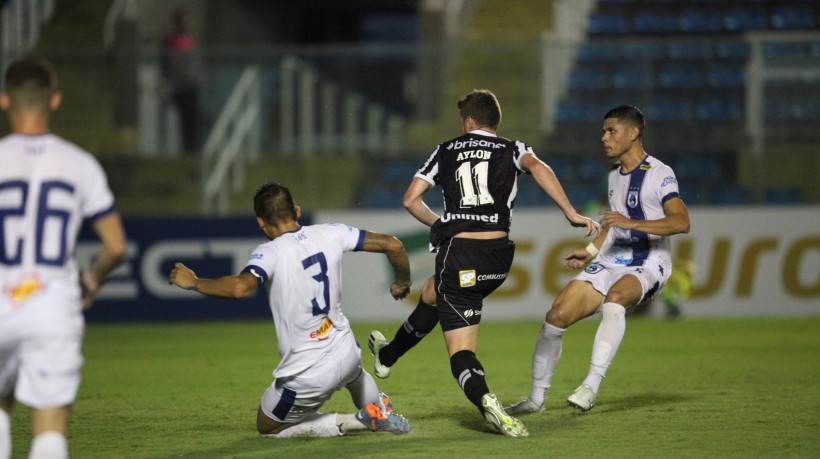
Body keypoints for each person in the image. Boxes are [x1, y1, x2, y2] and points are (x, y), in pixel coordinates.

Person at [368, 89, 600, 437]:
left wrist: (442, 224)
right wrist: (570, 212)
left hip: (460, 254)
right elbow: (539, 167)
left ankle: (486, 400)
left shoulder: (446, 150)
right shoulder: (513, 147)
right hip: (499, 258)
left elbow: (410, 199)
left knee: (460, 351)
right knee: (433, 291)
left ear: (468, 122)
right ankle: (387, 356)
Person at [168, 182, 412, 438]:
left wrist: (194, 283)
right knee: (355, 375)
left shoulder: (270, 252)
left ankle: (353, 421)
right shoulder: (332, 232)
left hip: (307, 374)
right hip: (347, 350)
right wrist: (402, 283)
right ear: (296, 211)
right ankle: (378, 407)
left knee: (268, 427)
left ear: (261, 223)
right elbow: (393, 245)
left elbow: (240, 288)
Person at [504, 105, 691, 416]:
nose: (604, 137)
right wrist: (591, 251)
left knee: (615, 300)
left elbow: (681, 222)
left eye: (611, 131)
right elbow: (615, 225)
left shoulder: (660, 173)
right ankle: (536, 399)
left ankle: (590, 386)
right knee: (556, 316)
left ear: (633, 133)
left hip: (649, 262)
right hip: (612, 258)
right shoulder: (615, 176)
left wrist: (631, 223)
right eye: (604, 131)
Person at [0, 58, 127, 459]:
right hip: (52, 302)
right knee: (50, 428)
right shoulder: (79, 164)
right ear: (54, 100)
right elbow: (116, 246)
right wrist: (92, 280)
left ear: (5, 100)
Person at [162, 8, 203, 156]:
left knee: (195, 120)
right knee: (185, 121)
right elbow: (175, 64)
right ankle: (187, 150)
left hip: (192, 87)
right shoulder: (173, 41)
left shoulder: (189, 39)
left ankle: (194, 149)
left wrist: (198, 78)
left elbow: (194, 62)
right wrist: (188, 78)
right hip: (181, 87)